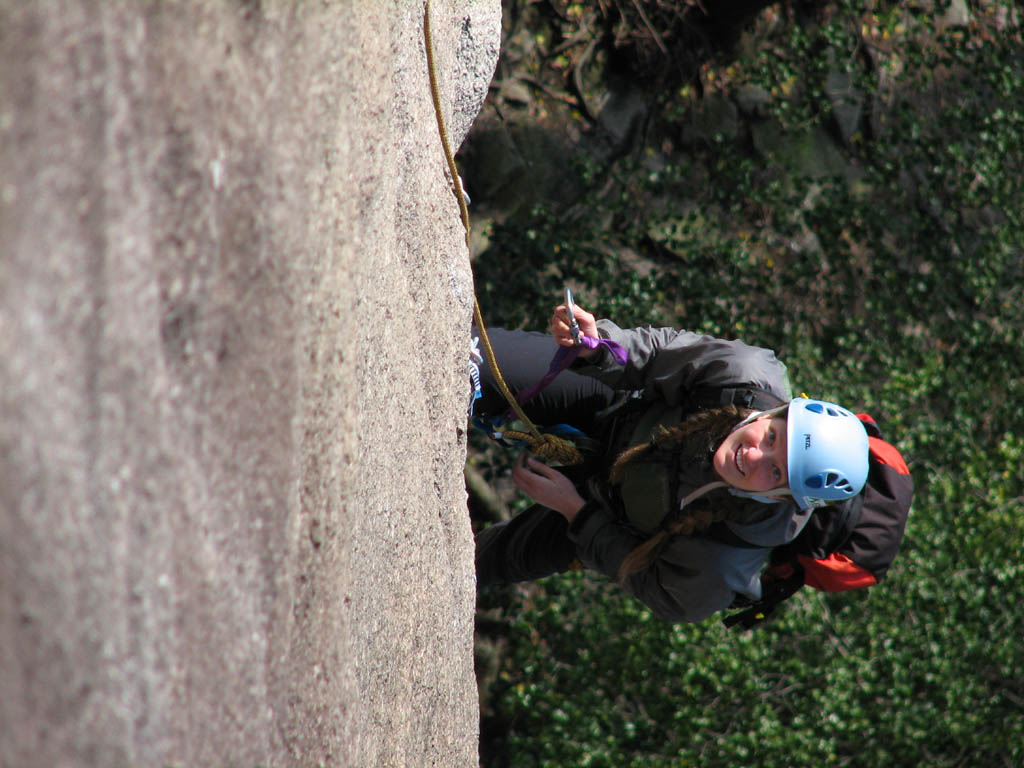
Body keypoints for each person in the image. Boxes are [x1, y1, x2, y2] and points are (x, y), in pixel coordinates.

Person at [472, 301, 869, 623]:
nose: (752, 456)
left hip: (605, 519)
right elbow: (660, 353)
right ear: (776, 413)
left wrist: (575, 512)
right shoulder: (745, 376)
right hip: (613, 408)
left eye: (776, 471)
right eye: (771, 437)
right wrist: (601, 347)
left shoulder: (724, 561)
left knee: (475, 565)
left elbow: (655, 587)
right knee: (474, 359)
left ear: (783, 497)